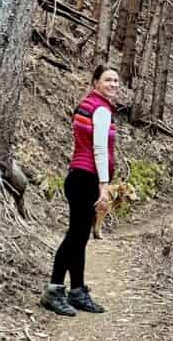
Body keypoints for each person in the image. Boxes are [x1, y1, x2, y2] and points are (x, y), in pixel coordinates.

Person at [40, 64, 119, 316]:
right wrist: (104, 185)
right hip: (87, 178)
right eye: (108, 80)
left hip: (78, 176)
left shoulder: (88, 105)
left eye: (116, 81)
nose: (113, 85)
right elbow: (98, 148)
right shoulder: (101, 109)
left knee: (80, 237)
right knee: (75, 236)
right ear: (95, 81)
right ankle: (54, 290)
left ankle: (77, 290)